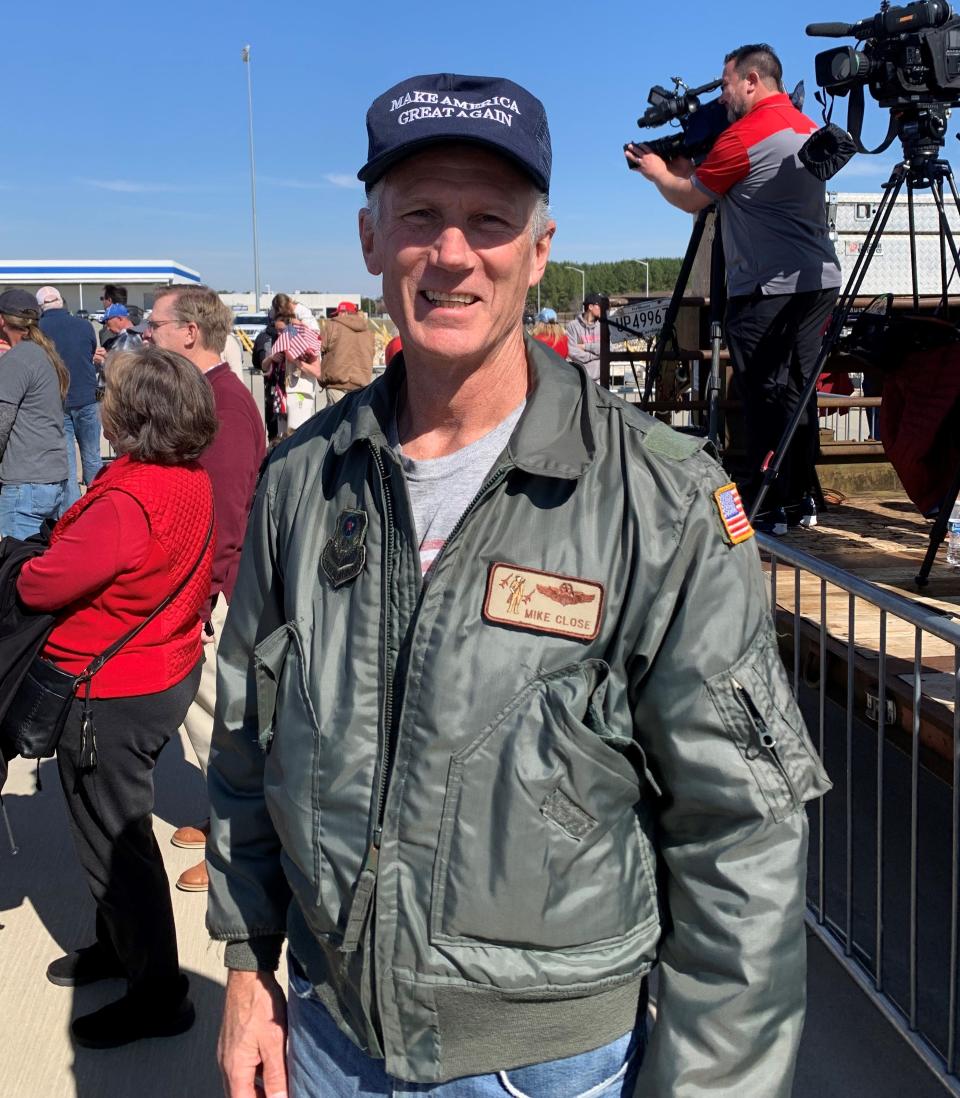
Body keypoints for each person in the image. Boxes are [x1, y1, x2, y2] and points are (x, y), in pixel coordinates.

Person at [206, 71, 831, 1098]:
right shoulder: (303, 483)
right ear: (371, 243)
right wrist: (244, 966)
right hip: (326, 1037)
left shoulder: (661, 501)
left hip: (545, 1069)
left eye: (491, 220)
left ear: (539, 254)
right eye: (421, 217)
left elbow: (740, 838)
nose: (453, 253)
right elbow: (244, 752)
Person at [16, 345, 217, 1047]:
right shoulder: (186, 478)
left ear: (131, 416)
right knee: (111, 835)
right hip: (163, 666)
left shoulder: (130, 499)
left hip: (112, 690)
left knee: (116, 845)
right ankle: (120, 947)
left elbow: (42, 584)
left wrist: (32, 558)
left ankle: (160, 992)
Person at [626, 42, 842, 534]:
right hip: (819, 280)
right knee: (799, 390)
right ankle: (801, 496)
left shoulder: (743, 137)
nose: (721, 96)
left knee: (764, 393)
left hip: (766, 285)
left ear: (751, 80)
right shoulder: (807, 126)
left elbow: (691, 199)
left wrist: (659, 173)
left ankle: (766, 506)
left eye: (725, 85)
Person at [143, 284, 266, 893]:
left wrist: (204, 598)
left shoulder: (225, 407)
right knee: (203, 717)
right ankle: (221, 814)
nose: (146, 334)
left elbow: (225, 516)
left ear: (189, 332)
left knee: (224, 721)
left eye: (154, 324)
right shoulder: (202, 397)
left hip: (216, 593)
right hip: (200, 588)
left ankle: (237, 843)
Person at [0, 289, 69, 538]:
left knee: (16, 567)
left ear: (2, 320)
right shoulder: (43, 354)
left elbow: (2, 422)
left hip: (25, 482)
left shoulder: (17, 360)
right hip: (49, 477)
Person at [37, 286, 102, 510]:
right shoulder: (84, 325)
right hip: (87, 397)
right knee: (92, 455)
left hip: (57, 400)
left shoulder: (38, 330)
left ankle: (73, 513)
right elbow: (92, 351)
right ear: (62, 303)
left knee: (68, 462)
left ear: (41, 307)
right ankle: (98, 504)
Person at [317, 300, 375, 405]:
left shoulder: (332, 326)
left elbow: (317, 348)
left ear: (343, 313)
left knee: (334, 420)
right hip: (360, 387)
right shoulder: (368, 332)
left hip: (336, 385)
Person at [565, 292, 603, 380]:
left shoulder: (602, 326)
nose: (603, 308)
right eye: (600, 305)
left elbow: (608, 348)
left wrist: (585, 347)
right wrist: (597, 355)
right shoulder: (573, 326)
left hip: (599, 380)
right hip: (580, 379)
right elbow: (572, 352)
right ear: (590, 307)